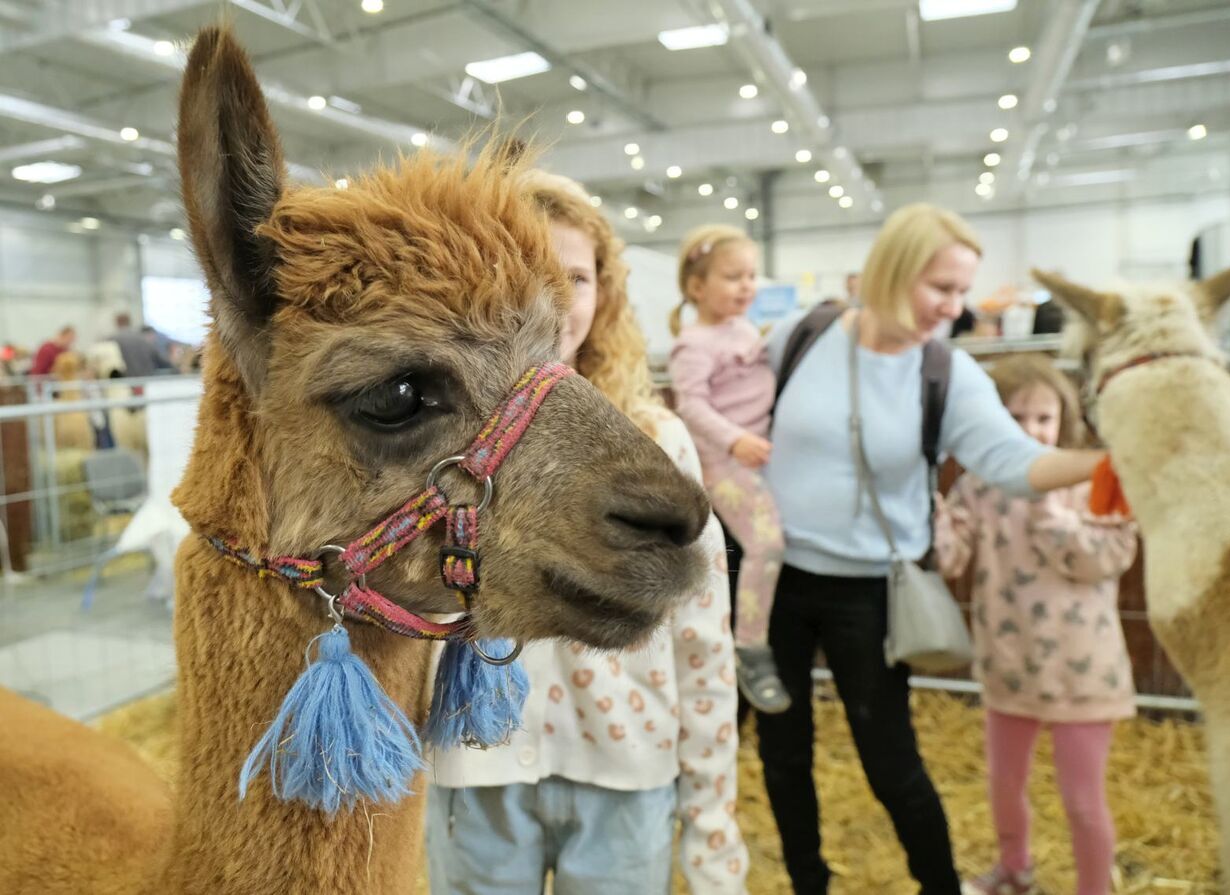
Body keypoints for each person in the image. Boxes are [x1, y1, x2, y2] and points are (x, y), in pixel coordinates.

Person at [759, 203, 1108, 895]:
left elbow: (1013, 460)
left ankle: (939, 885)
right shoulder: (798, 336)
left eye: (960, 292)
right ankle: (808, 882)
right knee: (781, 752)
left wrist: (1106, 462)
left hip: (874, 590)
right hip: (773, 579)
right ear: (894, 269)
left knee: (891, 759)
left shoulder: (946, 373)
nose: (952, 308)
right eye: (940, 288)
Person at [424, 171, 748, 895]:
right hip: (477, 764)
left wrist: (713, 829)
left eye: (575, 276)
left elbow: (700, 635)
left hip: (625, 770)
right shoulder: (436, 446)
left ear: (604, 293)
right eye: (530, 272)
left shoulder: (655, 438)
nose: (555, 299)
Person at [934, 354, 1137, 895]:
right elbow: (951, 558)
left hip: (1083, 672)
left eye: (1043, 419)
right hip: (1010, 666)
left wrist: (1055, 522)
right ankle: (1014, 870)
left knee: (1082, 798)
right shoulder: (978, 485)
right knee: (1004, 784)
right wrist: (927, 514)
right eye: (1015, 419)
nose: (1031, 431)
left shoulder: (1092, 479)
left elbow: (1110, 555)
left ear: (1063, 421)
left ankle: (1094, 888)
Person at [667, 225, 790, 715]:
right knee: (767, 544)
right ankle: (750, 646)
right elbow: (691, 406)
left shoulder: (744, 330)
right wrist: (734, 439)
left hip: (755, 452)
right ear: (697, 287)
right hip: (724, 460)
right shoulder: (693, 343)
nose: (747, 286)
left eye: (751, 276)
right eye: (733, 276)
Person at [111, 313, 171, 377]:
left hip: (124, 382)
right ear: (129, 322)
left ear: (117, 322)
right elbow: (161, 361)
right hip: (145, 380)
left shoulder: (111, 340)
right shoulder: (143, 340)